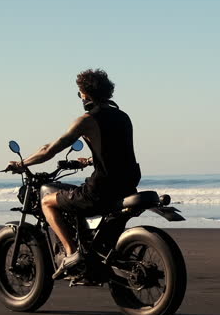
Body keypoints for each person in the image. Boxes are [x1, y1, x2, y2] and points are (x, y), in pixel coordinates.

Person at [8, 68, 141, 277]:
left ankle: (71, 253)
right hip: (127, 184)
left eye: (79, 92)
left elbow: (49, 150)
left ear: (85, 94)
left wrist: (23, 163)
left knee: (47, 202)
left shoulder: (86, 120)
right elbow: (116, 151)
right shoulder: (123, 117)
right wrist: (90, 160)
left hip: (101, 189)